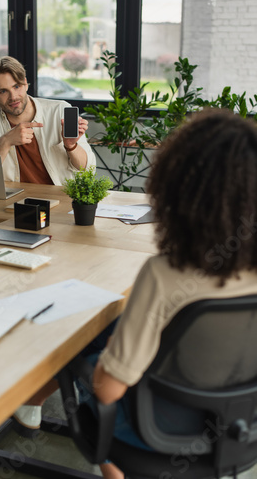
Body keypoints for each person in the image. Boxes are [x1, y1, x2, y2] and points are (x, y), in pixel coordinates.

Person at [26, 108, 257, 479]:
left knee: (81, 349)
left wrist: (108, 355)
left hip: (156, 432)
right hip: (240, 428)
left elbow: (108, 391)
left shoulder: (165, 274)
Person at [0, 56, 96, 184]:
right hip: (15, 198)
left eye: (16, 87)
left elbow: (88, 170)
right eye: (4, 91)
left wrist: (71, 146)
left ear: (26, 84)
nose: (13, 97)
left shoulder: (59, 110)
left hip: (58, 197)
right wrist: (6, 141)